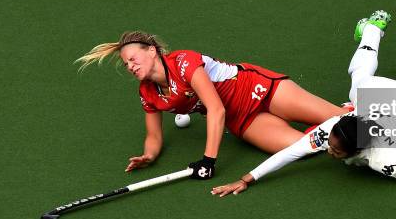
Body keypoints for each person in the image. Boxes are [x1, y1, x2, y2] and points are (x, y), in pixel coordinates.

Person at [211, 10, 396, 196]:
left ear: (358, 150)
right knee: (360, 85)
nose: (328, 150)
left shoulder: (384, 158)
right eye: (331, 146)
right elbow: (291, 152)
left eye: (336, 151)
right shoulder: (333, 128)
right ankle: (388, 34)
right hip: (374, 98)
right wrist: (246, 179)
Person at [75, 31, 349, 180]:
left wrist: (208, 160)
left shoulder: (184, 62)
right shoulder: (148, 92)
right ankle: (331, 127)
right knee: (306, 147)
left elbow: (215, 109)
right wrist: (149, 155)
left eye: (134, 58)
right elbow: (154, 136)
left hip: (260, 89)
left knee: (343, 118)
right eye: (127, 65)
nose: (131, 66)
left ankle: (386, 119)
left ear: (152, 50)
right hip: (243, 120)